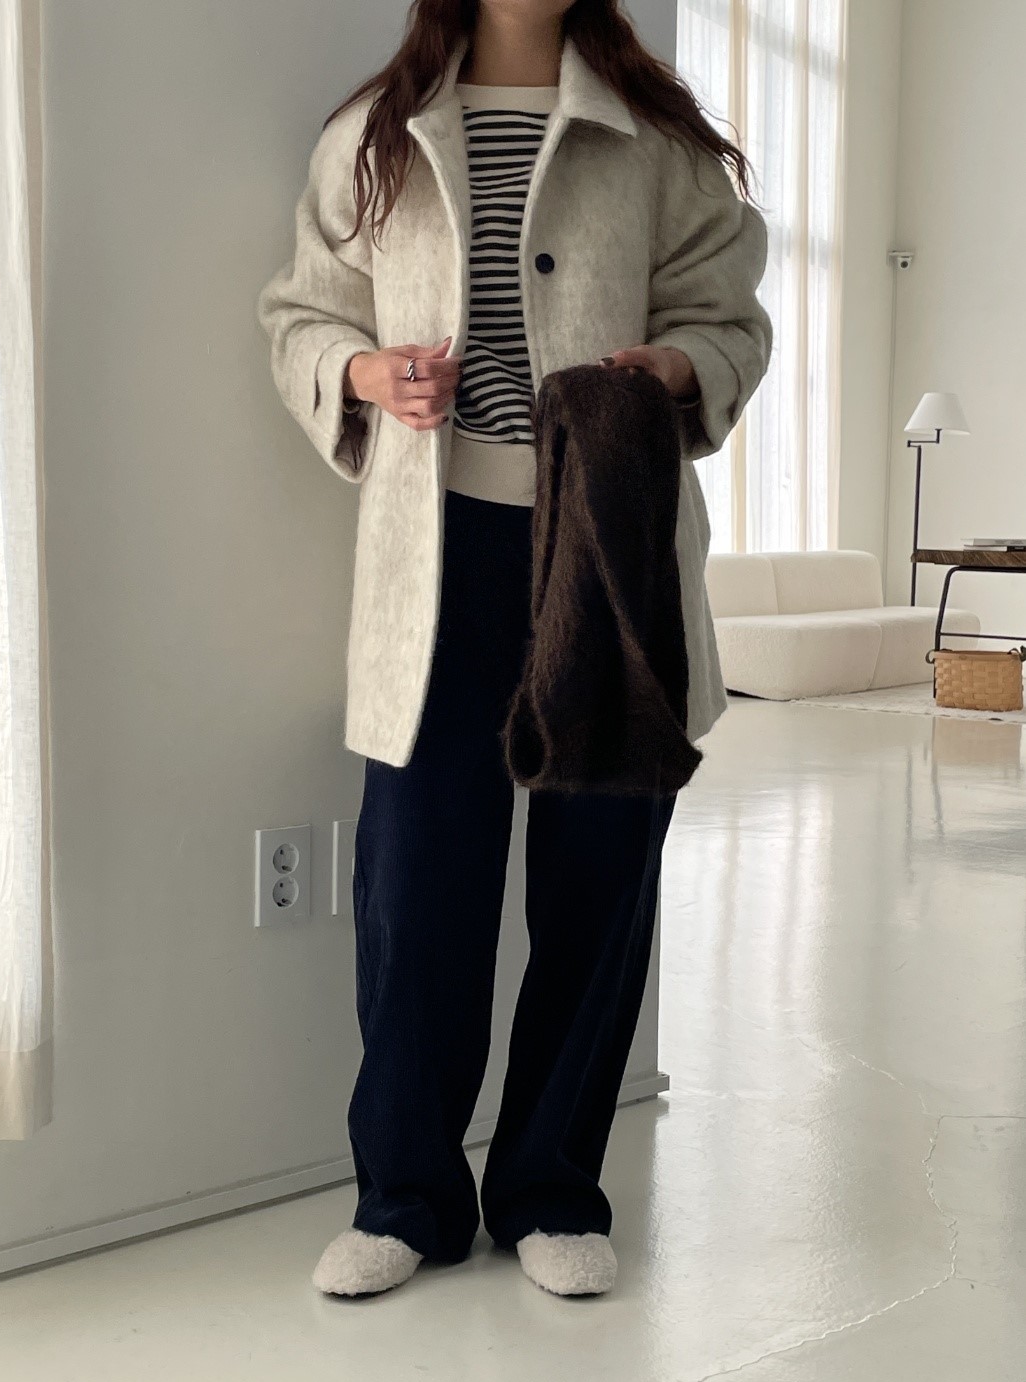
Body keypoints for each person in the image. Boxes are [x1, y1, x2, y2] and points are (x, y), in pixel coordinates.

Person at [257, 0, 772, 1299]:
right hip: (434, 561)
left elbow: (731, 322)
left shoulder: (657, 141)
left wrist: (671, 368)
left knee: (598, 881)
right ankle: (405, 1199)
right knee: (416, 884)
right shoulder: (374, 135)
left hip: (605, 549)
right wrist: (367, 374)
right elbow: (301, 315)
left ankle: (551, 1188)